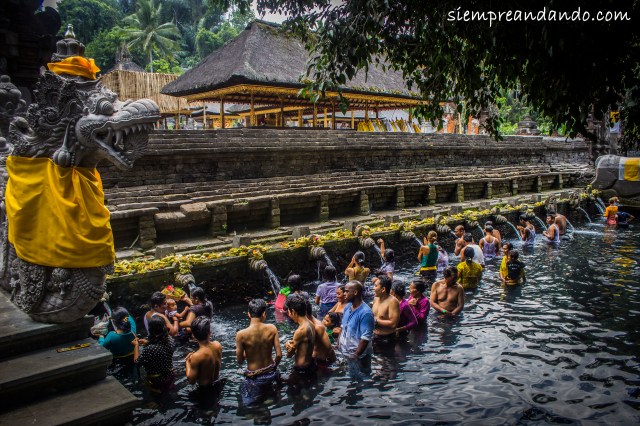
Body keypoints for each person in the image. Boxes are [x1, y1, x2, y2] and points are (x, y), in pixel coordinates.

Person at [236, 299, 282, 405]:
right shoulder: (272, 328)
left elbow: (239, 360)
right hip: (271, 373)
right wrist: (273, 367)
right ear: (264, 314)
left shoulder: (241, 334)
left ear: (248, 314)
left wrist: (248, 352)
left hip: (254, 377)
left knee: (249, 403)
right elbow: (279, 355)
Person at [134, 315, 176, 392]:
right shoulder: (170, 339)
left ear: (150, 330)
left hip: (156, 380)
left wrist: (136, 346)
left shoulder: (150, 349)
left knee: (157, 398)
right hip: (170, 374)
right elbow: (160, 343)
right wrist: (148, 342)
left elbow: (137, 363)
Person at [338, 281, 375, 359]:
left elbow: (365, 338)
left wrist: (356, 355)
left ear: (355, 292)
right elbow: (343, 327)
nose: (344, 294)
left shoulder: (366, 313)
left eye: (347, 291)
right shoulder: (348, 307)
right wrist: (338, 343)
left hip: (358, 356)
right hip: (345, 351)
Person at [185, 316, 222, 386]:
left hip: (204, 391)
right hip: (218, 384)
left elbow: (191, 381)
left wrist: (187, 362)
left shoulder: (197, 356)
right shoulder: (218, 345)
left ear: (193, 335)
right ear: (209, 332)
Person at [284, 294, 316, 372]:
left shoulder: (300, 331)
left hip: (301, 368)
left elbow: (289, 355)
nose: (288, 314)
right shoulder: (310, 323)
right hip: (310, 363)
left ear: (293, 311)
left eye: (288, 311)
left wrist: (287, 345)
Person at [306, 300, 336, 366]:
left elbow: (329, 349)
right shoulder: (308, 325)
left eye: (327, 321)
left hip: (319, 361)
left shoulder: (319, 327)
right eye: (324, 319)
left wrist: (335, 362)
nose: (324, 321)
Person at [371, 275, 400, 342]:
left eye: (375, 286)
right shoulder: (376, 298)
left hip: (387, 338)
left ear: (383, 289)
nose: (373, 288)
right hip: (373, 335)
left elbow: (393, 324)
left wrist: (375, 321)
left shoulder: (393, 302)